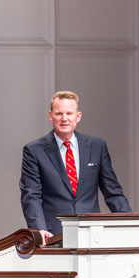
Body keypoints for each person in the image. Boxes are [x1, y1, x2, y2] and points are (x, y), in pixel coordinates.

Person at [20, 91, 131, 239]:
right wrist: (39, 230)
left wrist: (130, 223)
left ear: (78, 116)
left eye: (69, 113)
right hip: (53, 236)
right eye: (59, 113)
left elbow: (113, 192)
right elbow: (31, 195)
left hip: (93, 234)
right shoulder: (34, 150)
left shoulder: (97, 146)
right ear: (50, 116)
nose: (64, 119)